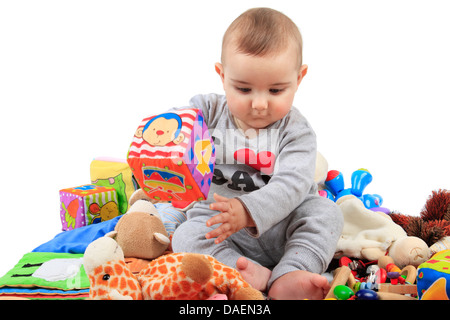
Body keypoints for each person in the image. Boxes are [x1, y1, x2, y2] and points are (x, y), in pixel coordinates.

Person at [171, 7, 343, 300]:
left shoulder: (297, 131)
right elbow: (178, 124)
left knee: (327, 213)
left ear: (299, 79)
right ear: (222, 76)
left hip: (285, 225)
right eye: (244, 89)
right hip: (221, 226)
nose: (260, 103)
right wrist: (170, 137)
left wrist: (247, 210)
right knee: (184, 236)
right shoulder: (208, 112)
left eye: (276, 91)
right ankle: (243, 273)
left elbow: (293, 185)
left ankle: (291, 271)